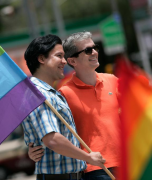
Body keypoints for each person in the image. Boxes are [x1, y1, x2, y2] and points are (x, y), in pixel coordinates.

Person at [28, 32, 120, 180]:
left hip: (127, 161)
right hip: (96, 168)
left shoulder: (113, 81)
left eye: (95, 47)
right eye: (88, 50)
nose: (95, 52)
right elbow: (53, 134)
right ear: (73, 61)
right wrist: (35, 148)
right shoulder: (63, 93)